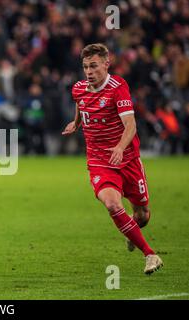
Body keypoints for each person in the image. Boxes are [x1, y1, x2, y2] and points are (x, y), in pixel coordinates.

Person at [62, 43, 163, 275]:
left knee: (143, 215)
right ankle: (150, 254)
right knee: (112, 203)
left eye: (94, 66)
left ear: (106, 64)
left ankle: (133, 230)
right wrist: (76, 123)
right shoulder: (78, 88)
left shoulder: (118, 88)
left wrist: (119, 147)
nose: (89, 72)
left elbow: (131, 126)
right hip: (99, 160)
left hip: (127, 159)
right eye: (86, 67)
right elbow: (81, 104)